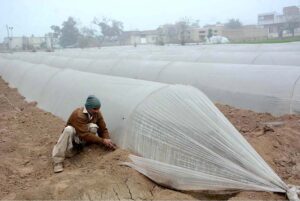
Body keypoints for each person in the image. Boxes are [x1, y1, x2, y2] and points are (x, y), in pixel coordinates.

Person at [52, 95, 116, 173]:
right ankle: (57, 161)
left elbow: (103, 129)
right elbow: (84, 134)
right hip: (74, 136)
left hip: (82, 137)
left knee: (93, 127)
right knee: (68, 130)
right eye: (95, 109)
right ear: (88, 108)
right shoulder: (78, 114)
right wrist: (102, 141)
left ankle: (81, 147)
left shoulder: (97, 113)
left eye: (98, 108)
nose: (97, 111)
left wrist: (107, 139)